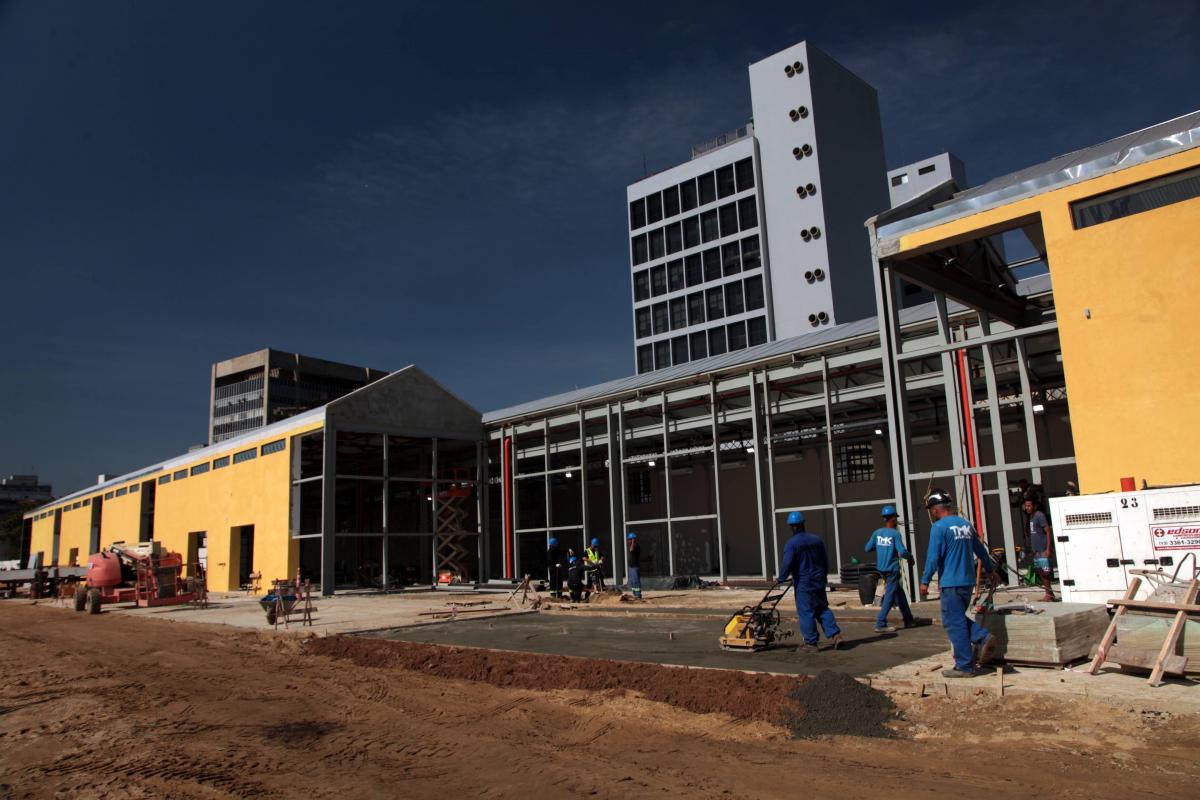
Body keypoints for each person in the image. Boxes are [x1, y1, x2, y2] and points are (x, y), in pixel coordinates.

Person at [919, 489, 1000, 678]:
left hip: (951, 582)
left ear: (935, 510)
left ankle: (966, 664)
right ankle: (981, 638)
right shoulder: (965, 524)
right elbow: (980, 551)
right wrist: (990, 570)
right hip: (967, 582)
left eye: (931, 510)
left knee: (953, 622)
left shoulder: (939, 527)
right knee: (957, 619)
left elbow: (933, 557)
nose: (931, 513)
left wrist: (925, 581)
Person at [775, 511, 842, 653]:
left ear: (791, 527)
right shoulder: (816, 540)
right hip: (818, 581)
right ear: (803, 524)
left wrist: (781, 578)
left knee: (806, 612)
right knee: (823, 608)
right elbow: (824, 560)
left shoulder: (791, 544)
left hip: (804, 583)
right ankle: (836, 635)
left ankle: (811, 644)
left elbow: (787, 563)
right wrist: (824, 576)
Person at [864, 505, 916, 633]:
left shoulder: (877, 533)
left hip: (882, 570)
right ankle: (880, 623)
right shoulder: (895, 534)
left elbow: (867, 548)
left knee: (899, 593)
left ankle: (908, 619)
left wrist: (881, 547)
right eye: (895, 518)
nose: (896, 521)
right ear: (892, 519)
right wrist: (910, 558)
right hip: (892, 570)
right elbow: (902, 552)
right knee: (890, 596)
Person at [1024, 497, 1056, 601]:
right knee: (1041, 572)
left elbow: (1047, 531)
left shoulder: (1039, 516)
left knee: (1045, 573)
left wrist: (1048, 548)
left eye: (1029, 506)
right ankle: (1049, 594)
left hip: (1043, 549)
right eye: (1026, 506)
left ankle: (1049, 595)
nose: (1027, 508)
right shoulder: (1031, 517)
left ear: (1035, 506)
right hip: (1036, 551)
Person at [626, 532, 642, 599]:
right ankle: (635, 594)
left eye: (629, 539)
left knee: (636, 580)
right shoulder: (632, 545)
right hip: (631, 566)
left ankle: (638, 594)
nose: (628, 541)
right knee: (632, 581)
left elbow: (631, 550)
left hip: (635, 567)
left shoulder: (636, 546)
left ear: (633, 539)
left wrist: (632, 542)